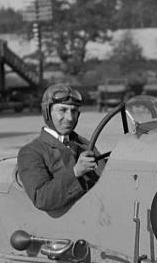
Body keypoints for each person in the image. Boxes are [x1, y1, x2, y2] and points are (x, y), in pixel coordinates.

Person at [17, 84, 104, 213]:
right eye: (62, 110)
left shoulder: (84, 144)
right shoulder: (31, 152)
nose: (69, 118)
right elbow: (41, 198)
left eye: (74, 111)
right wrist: (75, 172)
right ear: (47, 113)